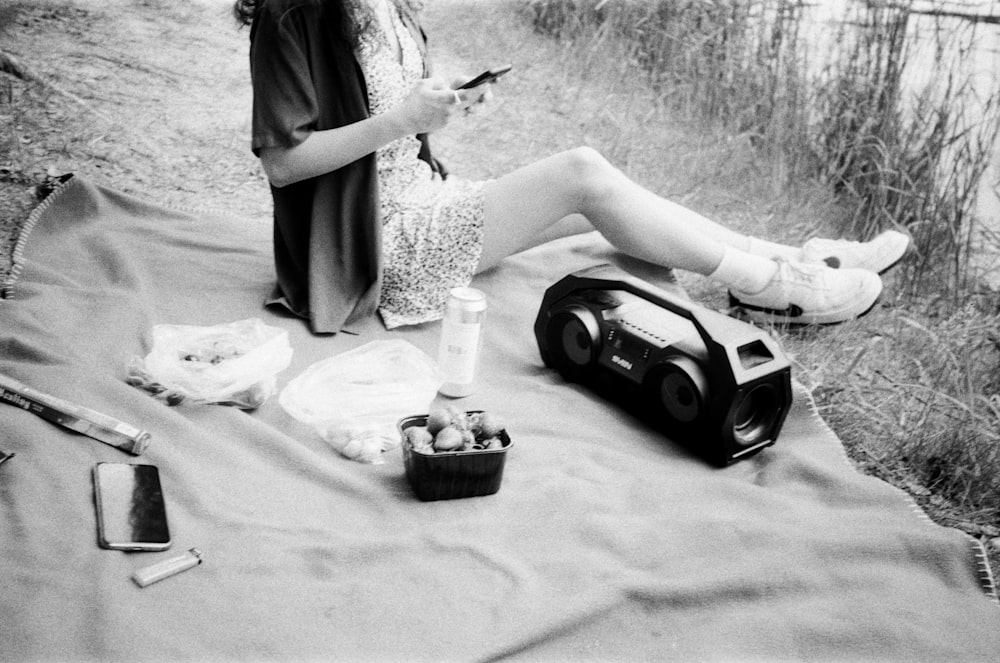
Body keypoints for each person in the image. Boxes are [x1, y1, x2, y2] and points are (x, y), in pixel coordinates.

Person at [235, 0, 909, 334]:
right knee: (583, 173)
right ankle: (770, 288)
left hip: (423, 199)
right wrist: (401, 120)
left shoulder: (384, 2)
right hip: (379, 241)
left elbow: (403, 95)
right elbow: (285, 164)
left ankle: (795, 264)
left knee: (608, 199)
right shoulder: (290, 15)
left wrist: (446, 99)